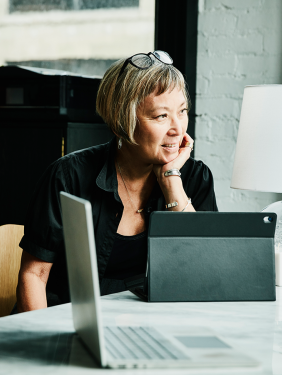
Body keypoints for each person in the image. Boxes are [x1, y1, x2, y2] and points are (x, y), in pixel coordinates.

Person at [16, 51, 218, 312]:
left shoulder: (194, 178)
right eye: (161, 116)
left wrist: (171, 181)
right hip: (68, 325)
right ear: (123, 120)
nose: (177, 128)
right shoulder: (68, 177)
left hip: (152, 331)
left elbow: (207, 273)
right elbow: (34, 275)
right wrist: (44, 342)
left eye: (182, 112)